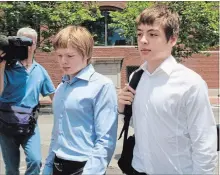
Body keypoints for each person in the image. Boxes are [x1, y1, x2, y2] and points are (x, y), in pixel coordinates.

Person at [118, 5, 217, 175]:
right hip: (137, 169)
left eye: (152, 34)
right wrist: (122, 109)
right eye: (140, 33)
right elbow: (144, 125)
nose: (143, 40)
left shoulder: (190, 83)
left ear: (172, 39)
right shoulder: (137, 76)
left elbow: (205, 144)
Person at [42, 25, 118, 175]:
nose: (63, 61)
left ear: (86, 54)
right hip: (57, 164)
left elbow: (106, 139)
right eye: (59, 55)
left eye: (70, 56)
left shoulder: (102, 86)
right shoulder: (61, 87)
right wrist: (48, 166)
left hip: (84, 166)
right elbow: (57, 132)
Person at [0, 27, 55, 175]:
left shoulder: (40, 70)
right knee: (11, 168)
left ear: (36, 45)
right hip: (6, 124)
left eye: (31, 42)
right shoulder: (6, 68)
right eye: (23, 42)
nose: (28, 47)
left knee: (35, 161)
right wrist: (2, 65)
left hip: (29, 124)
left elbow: (54, 96)